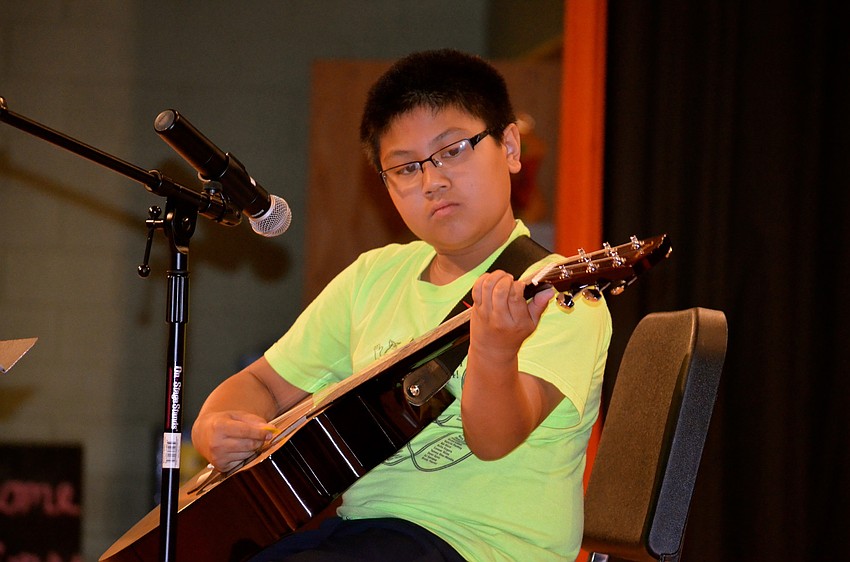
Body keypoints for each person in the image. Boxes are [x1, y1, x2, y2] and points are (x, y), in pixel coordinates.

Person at [191, 48, 611, 561]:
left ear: (509, 146)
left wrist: (496, 353)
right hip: (367, 536)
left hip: (482, 549)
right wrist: (214, 427)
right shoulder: (375, 277)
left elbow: (494, 440)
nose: (432, 181)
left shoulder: (565, 295)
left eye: (453, 149)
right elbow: (260, 384)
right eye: (405, 168)